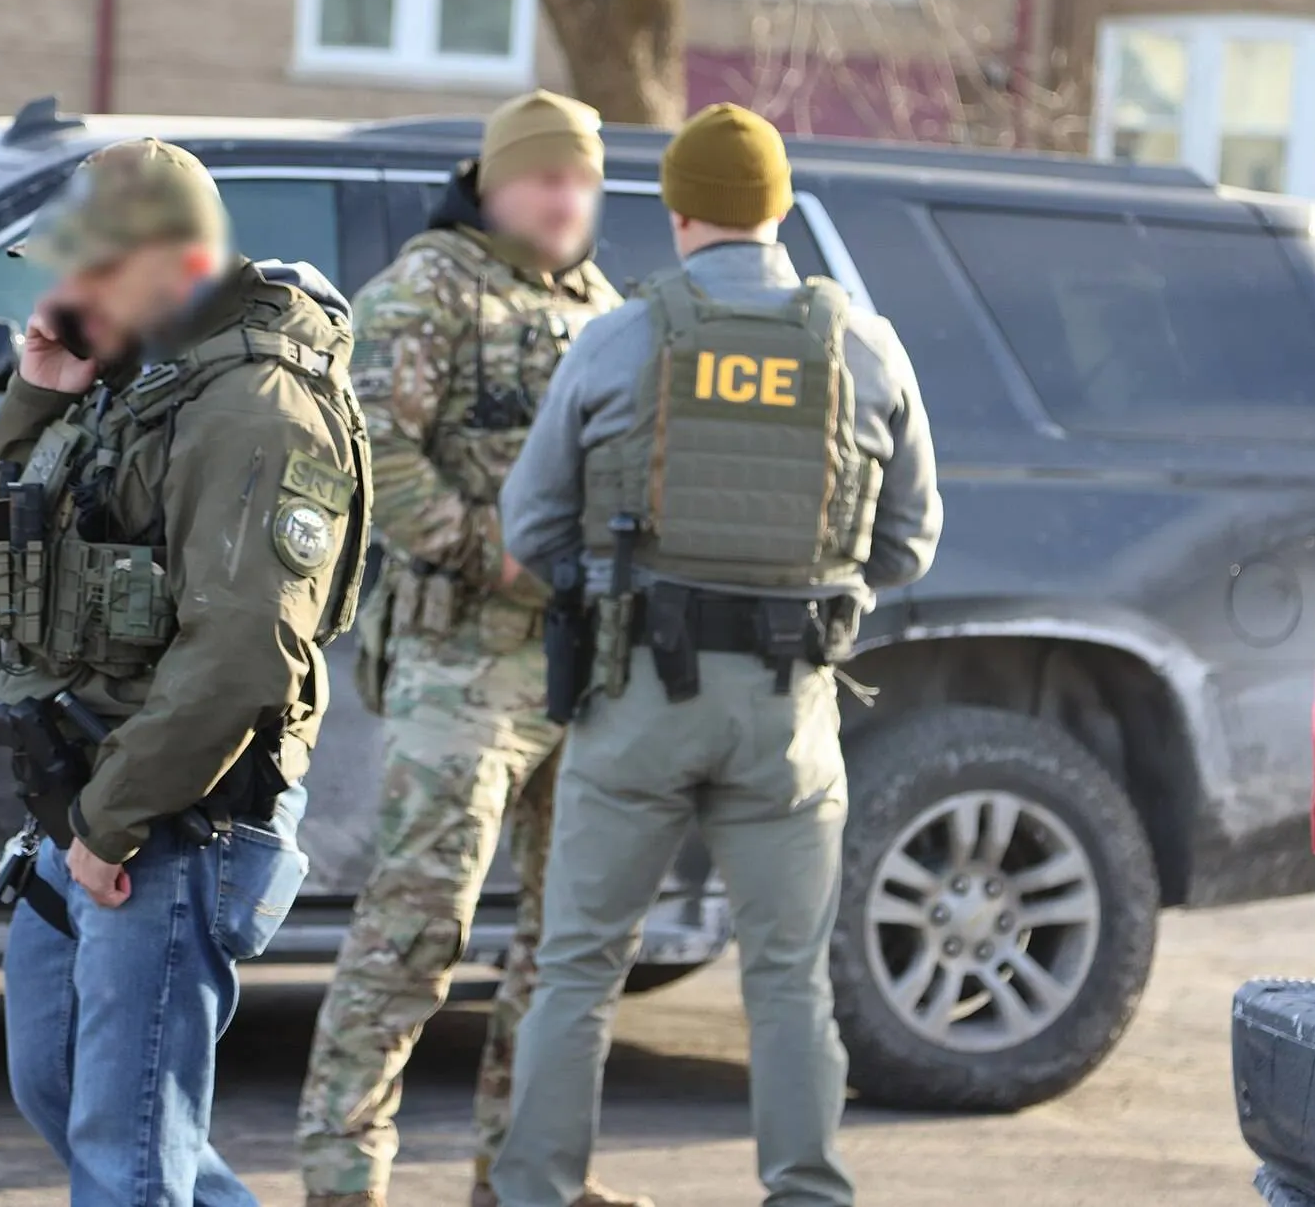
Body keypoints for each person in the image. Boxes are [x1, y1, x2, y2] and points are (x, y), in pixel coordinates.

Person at [490, 104, 944, 1207]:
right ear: (779, 208)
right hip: (787, 711)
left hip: (635, 694)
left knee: (578, 969)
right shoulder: (864, 345)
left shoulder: (617, 336)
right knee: (787, 981)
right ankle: (804, 1192)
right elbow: (908, 542)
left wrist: (616, 580)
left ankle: (535, 1192)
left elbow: (530, 525)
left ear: (678, 212)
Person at [0, 138, 371, 1207]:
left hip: (170, 816)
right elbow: (31, 555)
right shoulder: (146, 375)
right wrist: (40, 394)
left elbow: (244, 653)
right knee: (65, 1096)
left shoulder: (252, 407)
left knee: (128, 1159)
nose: (66, 293)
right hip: (89, 791)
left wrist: (110, 824)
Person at [295, 91, 646, 1207]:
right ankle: (342, 1177)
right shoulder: (424, 289)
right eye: (544, 177)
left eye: (580, 180)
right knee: (416, 929)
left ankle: (524, 1176)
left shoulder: (608, 307)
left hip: (581, 669)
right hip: (462, 667)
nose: (563, 198)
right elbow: (372, 454)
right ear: (494, 182)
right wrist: (489, 553)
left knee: (563, 946)